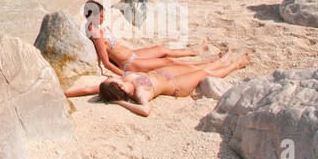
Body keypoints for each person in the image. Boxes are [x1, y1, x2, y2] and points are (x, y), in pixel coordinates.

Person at [65, 53, 251, 116]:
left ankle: (221, 61)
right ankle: (235, 64)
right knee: (203, 73)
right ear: (120, 90)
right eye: (117, 81)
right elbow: (146, 110)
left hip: (164, 74)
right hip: (177, 86)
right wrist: (120, 103)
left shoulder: (122, 84)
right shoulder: (139, 93)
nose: (119, 78)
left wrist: (63, 93)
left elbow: (88, 89)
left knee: (198, 66)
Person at [82, 1, 212, 76]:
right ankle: (201, 65)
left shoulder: (94, 27)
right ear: (92, 15)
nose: (103, 19)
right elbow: (106, 63)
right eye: (100, 16)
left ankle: (195, 52)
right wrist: (125, 75)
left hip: (132, 54)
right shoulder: (95, 34)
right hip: (129, 64)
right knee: (167, 61)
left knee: (161, 50)